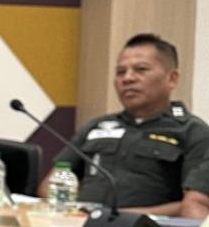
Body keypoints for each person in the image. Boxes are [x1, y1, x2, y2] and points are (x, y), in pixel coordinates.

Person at [39, 33, 209, 216]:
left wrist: (116, 218)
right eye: (120, 72)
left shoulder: (192, 132)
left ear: (172, 78)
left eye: (141, 70)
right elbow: (51, 184)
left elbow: (194, 205)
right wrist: (73, 211)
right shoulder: (97, 126)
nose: (127, 78)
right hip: (80, 225)